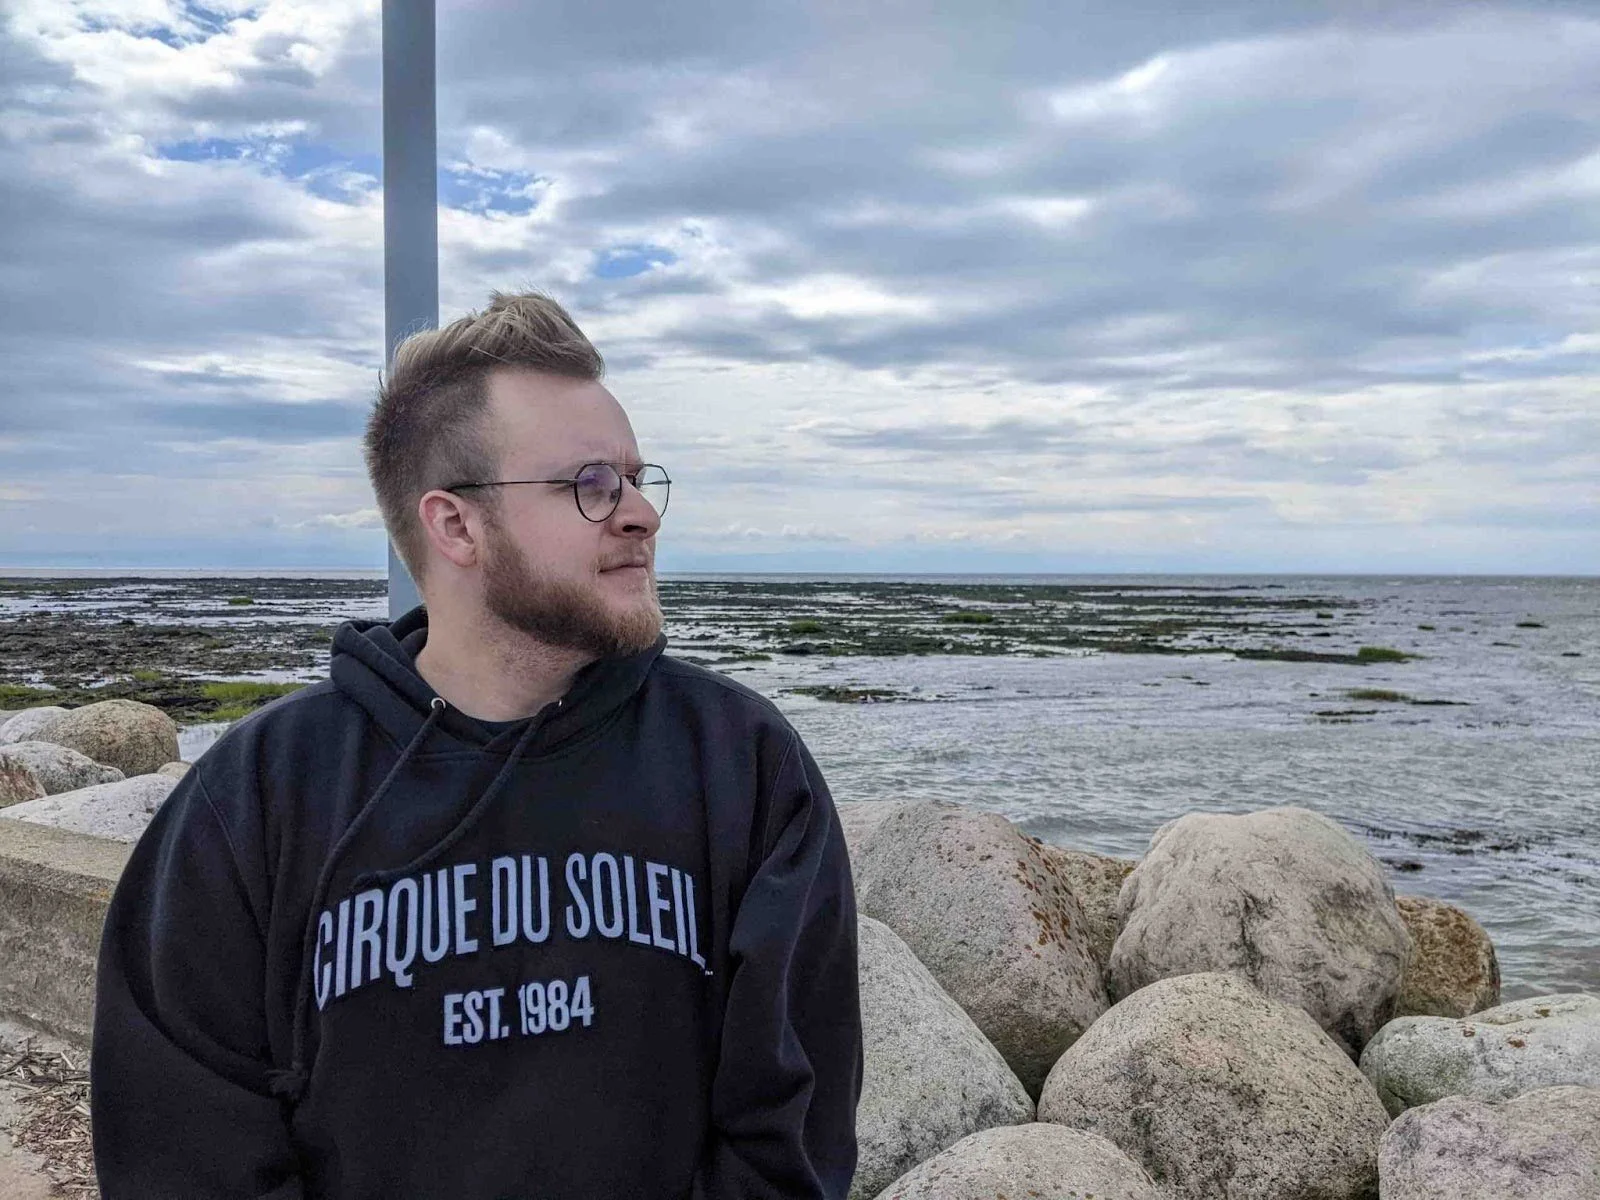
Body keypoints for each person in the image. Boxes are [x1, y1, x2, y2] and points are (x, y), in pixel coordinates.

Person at [90, 291, 862, 1199]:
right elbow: (184, 1149)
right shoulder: (256, 798)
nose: (639, 516)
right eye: (588, 485)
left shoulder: (744, 766)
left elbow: (791, 1132)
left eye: (636, 478)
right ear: (455, 524)